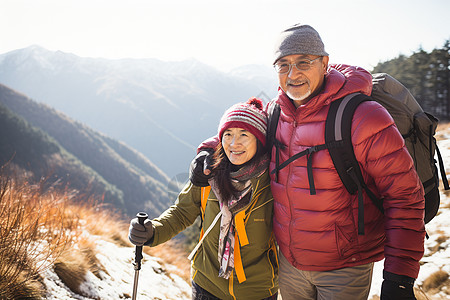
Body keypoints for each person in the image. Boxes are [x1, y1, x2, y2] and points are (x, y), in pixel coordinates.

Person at [190, 24, 425, 300]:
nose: (293, 74)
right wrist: (207, 151)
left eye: (304, 62)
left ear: (325, 63)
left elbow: (405, 196)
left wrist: (399, 277)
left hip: (345, 268)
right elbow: (241, 130)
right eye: (283, 65)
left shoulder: (364, 117)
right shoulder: (278, 112)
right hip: (289, 265)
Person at [128, 97, 279, 300]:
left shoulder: (272, 182)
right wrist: (152, 231)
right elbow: (182, 213)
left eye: (244, 134)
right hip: (207, 286)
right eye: (228, 134)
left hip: (257, 291)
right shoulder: (208, 175)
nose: (234, 143)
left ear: (259, 141)